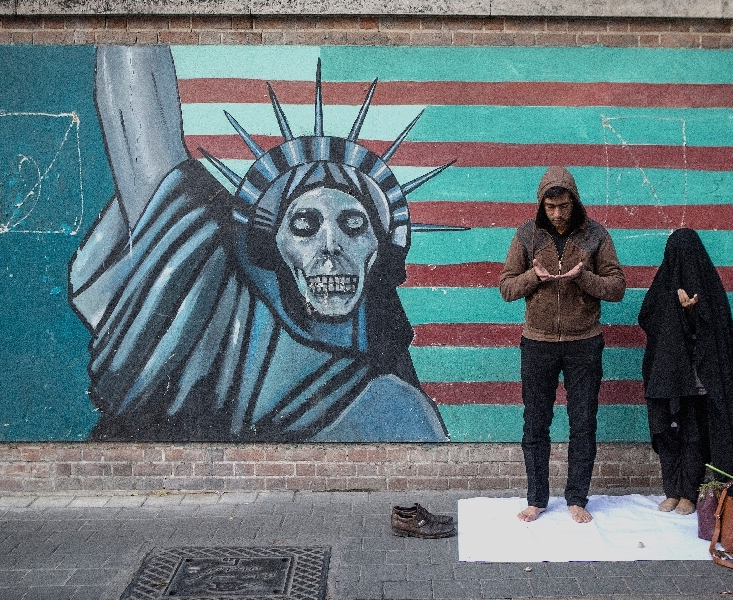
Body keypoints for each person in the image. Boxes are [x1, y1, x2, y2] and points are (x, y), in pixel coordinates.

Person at [68, 46, 450, 442]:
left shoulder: (396, 407)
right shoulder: (216, 311)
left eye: (354, 225)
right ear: (273, 245)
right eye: (304, 224)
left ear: (379, 249)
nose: (331, 246)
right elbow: (139, 124)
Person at [499, 166, 626, 523]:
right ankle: (537, 499)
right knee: (535, 423)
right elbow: (506, 287)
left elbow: (617, 286)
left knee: (583, 422)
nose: (557, 213)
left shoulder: (596, 235)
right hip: (537, 343)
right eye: (551, 206)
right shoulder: (526, 235)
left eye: (564, 206)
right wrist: (532, 277)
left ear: (575, 202)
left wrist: (583, 277)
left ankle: (576, 498)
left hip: (584, 342)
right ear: (541, 204)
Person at [638, 228, 733, 514]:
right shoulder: (662, 289)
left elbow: (716, 332)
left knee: (694, 434)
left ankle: (689, 493)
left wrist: (692, 312)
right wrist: (676, 310)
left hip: (698, 378)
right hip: (667, 376)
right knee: (666, 431)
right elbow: (647, 319)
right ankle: (671, 490)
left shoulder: (709, 291)